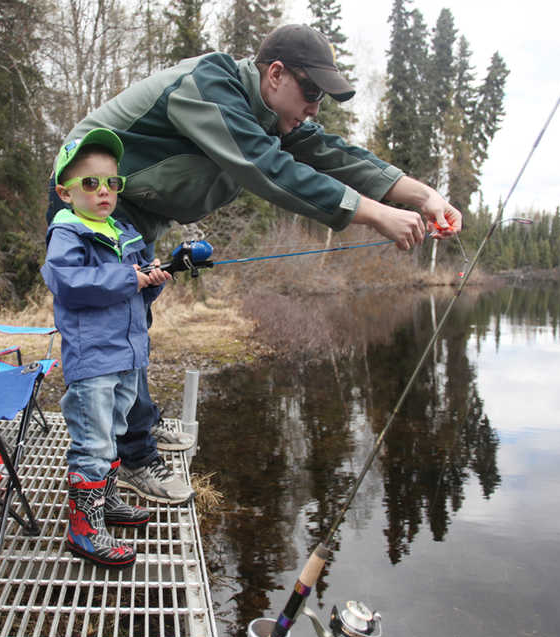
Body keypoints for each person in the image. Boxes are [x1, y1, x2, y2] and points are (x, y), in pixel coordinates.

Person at [46, 24, 463, 505]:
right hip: (88, 197)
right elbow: (267, 168)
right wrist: (373, 214)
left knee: (135, 320)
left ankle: (137, 425)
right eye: (310, 92)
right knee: (112, 330)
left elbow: (333, 154)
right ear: (276, 75)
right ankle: (134, 456)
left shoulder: (270, 116)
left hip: (131, 211)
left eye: (320, 99)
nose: (313, 107)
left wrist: (423, 194)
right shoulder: (211, 85)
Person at [41, 128, 173, 567]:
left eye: (112, 183)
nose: (103, 192)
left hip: (127, 355)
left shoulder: (123, 231)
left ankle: (107, 502)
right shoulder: (68, 233)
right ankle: (83, 529)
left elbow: (132, 293)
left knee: (113, 434)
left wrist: (151, 280)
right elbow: (68, 283)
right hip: (93, 360)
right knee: (92, 443)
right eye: (90, 183)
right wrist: (127, 278)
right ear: (65, 192)